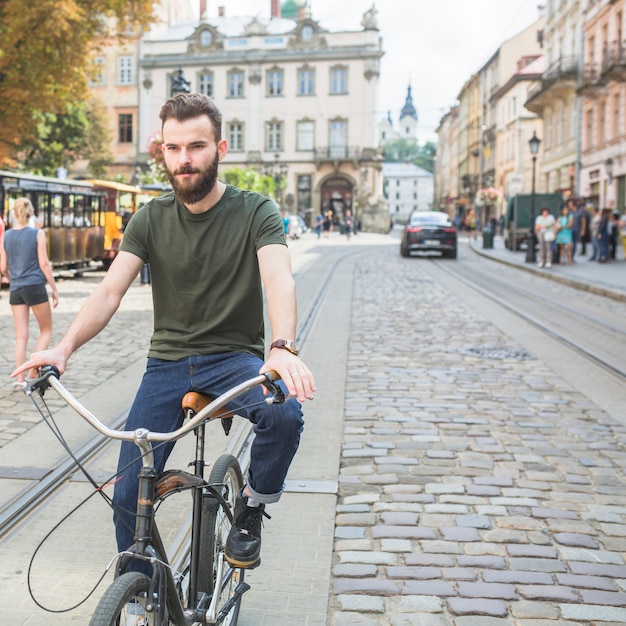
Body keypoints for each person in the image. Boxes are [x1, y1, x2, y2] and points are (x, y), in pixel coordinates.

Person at [12, 93, 316, 575]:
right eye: (173, 149)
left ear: (220, 149)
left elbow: (279, 278)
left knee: (284, 415)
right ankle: (142, 589)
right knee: (128, 493)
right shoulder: (150, 218)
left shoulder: (256, 211)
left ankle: (252, 510)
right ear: (163, 152)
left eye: (196, 146)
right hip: (166, 366)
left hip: (235, 358)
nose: (184, 159)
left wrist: (281, 348)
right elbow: (110, 291)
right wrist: (63, 347)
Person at [1, 198, 58, 389]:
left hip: (16, 289)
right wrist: (54, 288)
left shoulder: (7, 236)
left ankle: (20, 380)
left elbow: (3, 266)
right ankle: (34, 370)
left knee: (21, 335)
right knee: (46, 330)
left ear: (15, 214)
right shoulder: (37, 233)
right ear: (31, 213)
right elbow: (43, 264)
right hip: (34, 286)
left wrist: (10, 277)